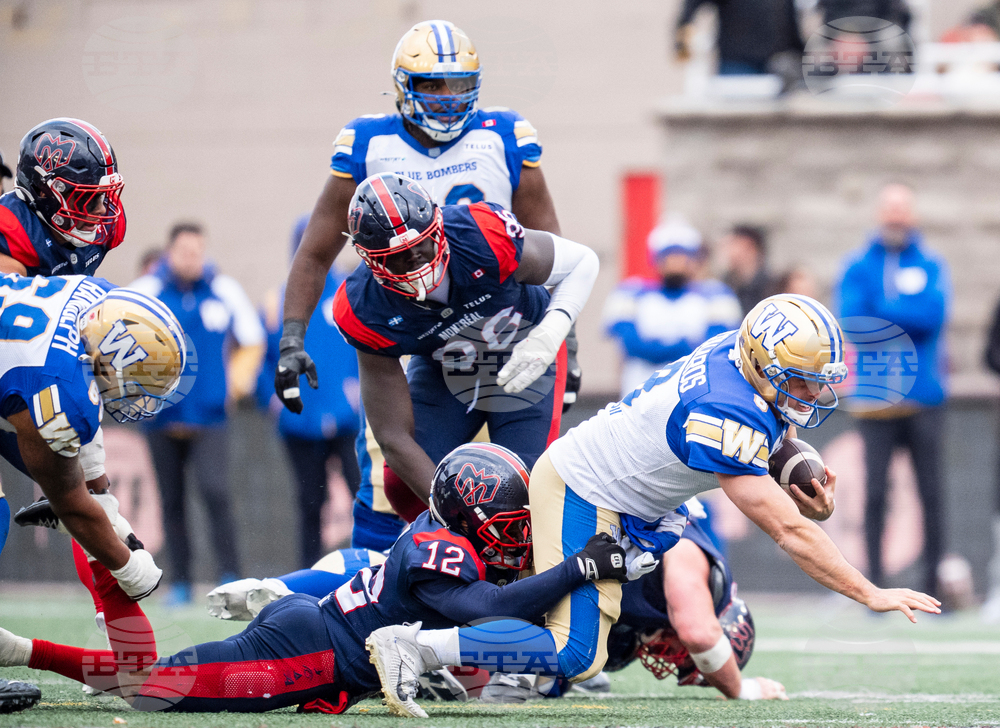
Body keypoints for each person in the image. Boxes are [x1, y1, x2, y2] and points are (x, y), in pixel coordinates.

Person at [366, 294, 941, 719]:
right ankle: (414, 648)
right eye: (803, 381)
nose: (814, 395)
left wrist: (799, 474)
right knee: (575, 653)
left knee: (565, 622)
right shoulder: (725, 411)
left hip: (630, 501)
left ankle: (415, 632)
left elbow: (773, 438)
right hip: (587, 491)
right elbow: (788, 532)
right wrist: (871, 591)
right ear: (766, 367)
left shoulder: (736, 357)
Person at [0, 444, 626, 714]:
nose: (516, 533)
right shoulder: (446, 554)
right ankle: (84, 549)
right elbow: (492, 605)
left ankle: (37, 628)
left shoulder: (439, 538)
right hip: (308, 655)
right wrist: (581, 567)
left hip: (312, 626)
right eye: (506, 521)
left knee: (141, 681)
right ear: (470, 515)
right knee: (146, 688)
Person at [273, 19, 576, 553]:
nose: (446, 98)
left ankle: (515, 601)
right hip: (431, 341)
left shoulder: (504, 137)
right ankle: (377, 587)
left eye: (458, 84)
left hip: (510, 327)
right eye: (432, 85)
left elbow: (555, 248)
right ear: (402, 86)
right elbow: (317, 250)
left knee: (530, 487)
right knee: (392, 484)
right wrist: (292, 336)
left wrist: (563, 342)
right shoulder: (369, 143)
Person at [330, 173, 598, 511]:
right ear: (371, 260)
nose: (415, 260)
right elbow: (392, 437)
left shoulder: (480, 235)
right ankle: (444, 557)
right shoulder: (364, 306)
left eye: (420, 244)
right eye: (398, 255)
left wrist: (551, 335)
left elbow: (583, 262)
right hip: (446, 369)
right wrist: (453, 512)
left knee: (522, 493)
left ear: (437, 227)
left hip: (524, 354)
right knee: (403, 487)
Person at [130, 222, 265, 604]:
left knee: (216, 493)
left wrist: (232, 387)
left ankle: (232, 577)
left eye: (198, 251)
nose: (192, 259)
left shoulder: (224, 290)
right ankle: (181, 582)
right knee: (171, 501)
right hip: (161, 418)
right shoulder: (146, 293)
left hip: (211, 419)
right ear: (169, 253)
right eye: (185, 251)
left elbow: (252, 341)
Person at [835, 183, 950, 596]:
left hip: (924, 397)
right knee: (875, 493)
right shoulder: (857, 266)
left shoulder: (932, 264)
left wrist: (883, 310)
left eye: (902, 211)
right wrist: (903, 315)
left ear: (912, 216)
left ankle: (933, 586)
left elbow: (933, 316)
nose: (896, 220)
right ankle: (874, 587)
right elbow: (852, 321)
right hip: (876, 398)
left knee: (931, 494)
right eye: (890, 212)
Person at [258, 215, 361, 568]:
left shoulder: (350, 288)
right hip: (299, 417)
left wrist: (360, 391)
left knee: (364, 496)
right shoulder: (278, 300)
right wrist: (270, 398)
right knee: (309, 500)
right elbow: (263, 358)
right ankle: (307, 573)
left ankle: (377, 567)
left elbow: (369, 346)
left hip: (350, 418)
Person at [603, 217, 741, 396]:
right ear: (656, 259)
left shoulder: (717, 295)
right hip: (639, 391)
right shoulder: (630, 292)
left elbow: (715, 345)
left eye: (682, 256)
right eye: (669, 256)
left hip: (693, 391)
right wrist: (686, 345)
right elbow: (631, 344)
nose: (676, 264)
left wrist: (657, 347)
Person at [0, 119, 126, 277]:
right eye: (87, 197)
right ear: (43, 192)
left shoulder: (107, 222)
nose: (101, 209)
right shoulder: (12, 228)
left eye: (101, 195)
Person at [674, 0, 803, 76]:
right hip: (737, 64)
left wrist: (803, 57)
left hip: (777, 64)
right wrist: (681, 44)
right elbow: (689, 9)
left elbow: (789, 20)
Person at [721, 225, 773, 316]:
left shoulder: (771, 288)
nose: (728, 251)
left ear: (750, 246)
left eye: (733, 244)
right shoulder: (726, 284)